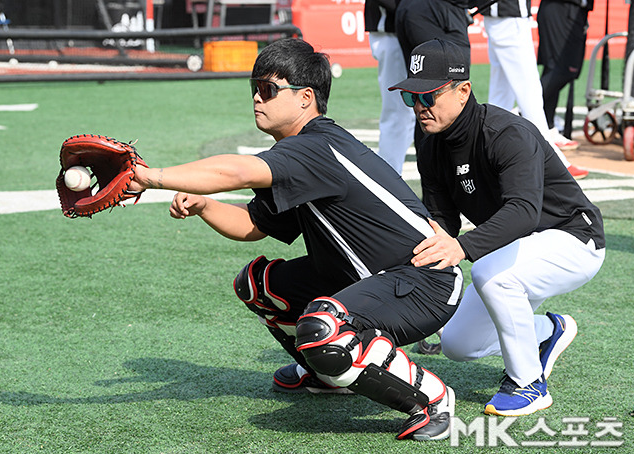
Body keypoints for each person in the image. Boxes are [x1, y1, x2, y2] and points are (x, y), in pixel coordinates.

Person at [128, 38, 464, 440]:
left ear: (306, 98)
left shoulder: (316, 146)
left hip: (424, 281)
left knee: (325, 326)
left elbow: (237, 172)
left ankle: (432, 398)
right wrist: (204, 207)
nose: (257, 97)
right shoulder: (297, 153)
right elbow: (254, 226)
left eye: (268, 89)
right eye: (254, 88)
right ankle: (325, 374)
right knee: (258, 286)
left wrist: (151, 177)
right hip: (370, 279)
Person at [390, 39, 606, 416]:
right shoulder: (429, 142)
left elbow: (523, 211)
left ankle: (528, 384)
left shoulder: (505, 132)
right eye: (412, 97)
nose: (421, 108)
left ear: (463, 91)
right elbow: (443, 221)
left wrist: (461, 248)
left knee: (490, 273)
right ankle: (546, 331)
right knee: (459, 344)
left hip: (575, 239)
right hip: (518, 250)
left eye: (429, 96)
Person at [481, 0, 589, 179]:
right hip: (509, 16)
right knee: (529, 94)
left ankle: (486, 156)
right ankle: (553, 161)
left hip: (503, 16)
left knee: (501, 96)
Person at [395, 0, 473, 151]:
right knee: (442, 85)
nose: (417, 106)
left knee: (426, 85)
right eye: (410, 98)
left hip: (412, 8)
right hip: (437, 10)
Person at [364, 0, 415, 174]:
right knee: (398, 110)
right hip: (393, 29)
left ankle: (389, 171)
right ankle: (388, 175)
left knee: (410, 110)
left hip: (409, 23)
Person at [537, 0, 594, 144]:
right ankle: (523, 108)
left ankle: (548, 127)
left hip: (569, 11)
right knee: (564, 70)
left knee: (555, 69)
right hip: (561, 9)